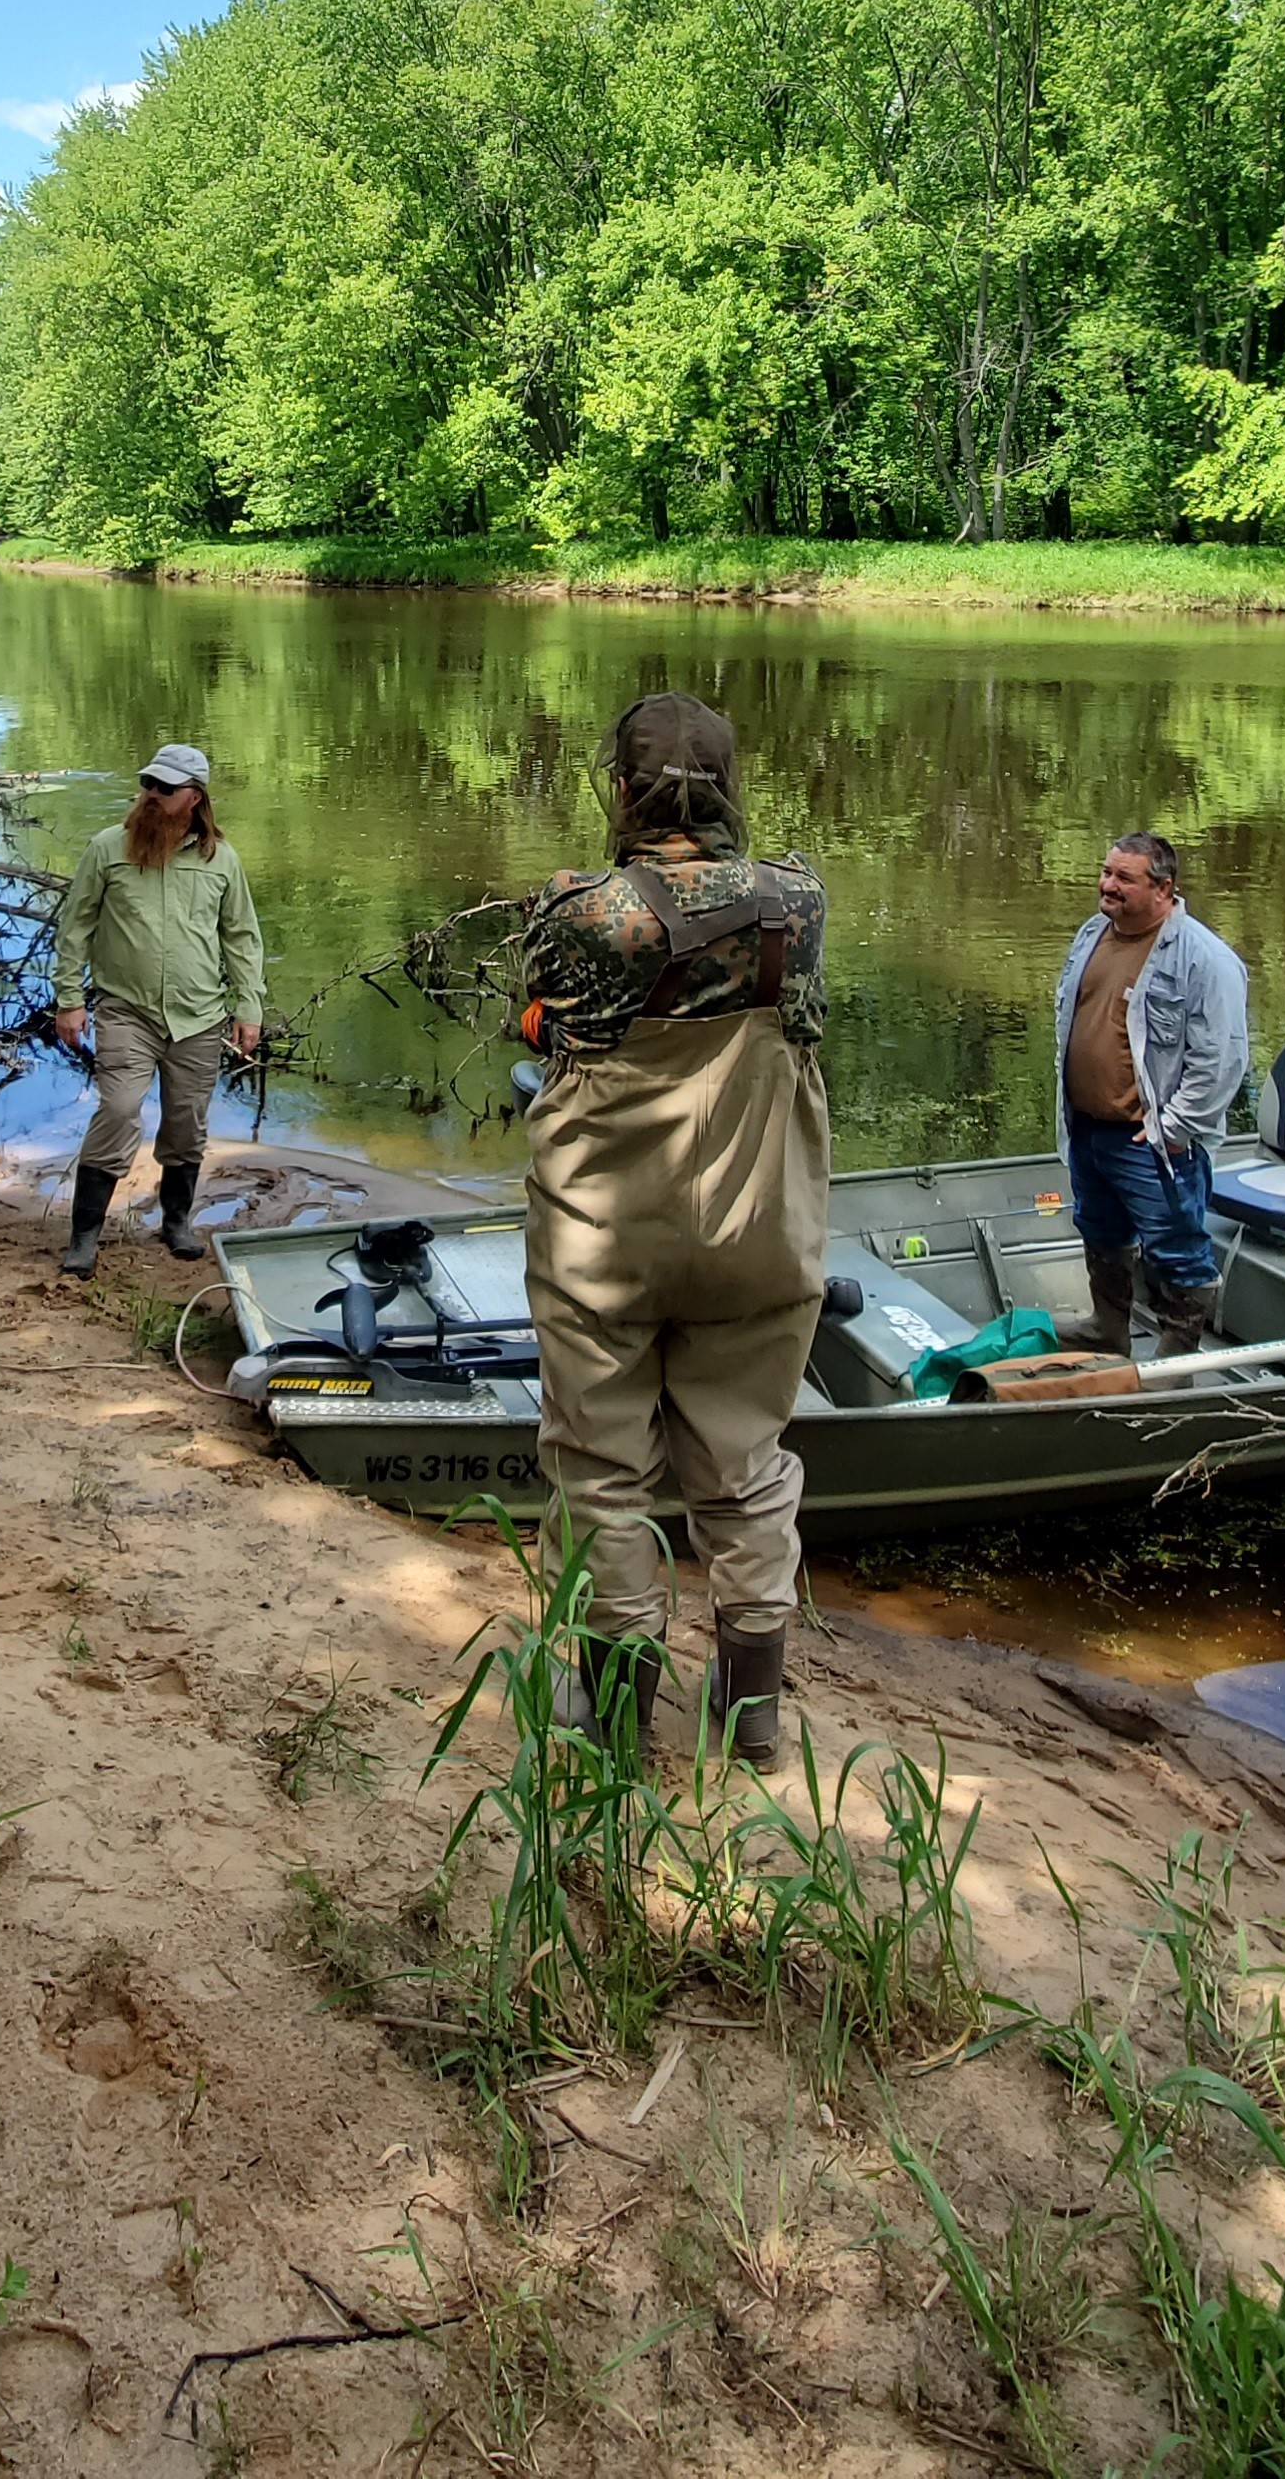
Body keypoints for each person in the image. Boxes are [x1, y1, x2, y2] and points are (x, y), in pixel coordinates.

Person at [512, 693, 830, 1769]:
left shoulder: (579, 911)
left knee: (601, 1471)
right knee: (747, 1467)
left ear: (621, 789)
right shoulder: (799, 903)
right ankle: (754, 1722)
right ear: (731, 788)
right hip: (758, 1225)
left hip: (606, 1230)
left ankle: (615, 1729)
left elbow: (541, 1010)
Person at [45, 743, 262, 1276]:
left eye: (165, 789)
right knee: (118, 1111)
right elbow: (75, 929)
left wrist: (248, 1005)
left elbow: (241, 937)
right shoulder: (107, 849)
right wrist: (69, 1000)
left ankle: (176, 1222)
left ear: (193, 798)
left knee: (187, 1124)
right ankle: (84, 1238)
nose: (151, 795)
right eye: (148, 784)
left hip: (199, 1017)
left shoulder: (220, 859)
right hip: (127, 1012)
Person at [1050, 830, 1247, 1356]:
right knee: (1100, 1228)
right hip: (1089, 1129)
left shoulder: (1205, 959)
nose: (1107, 885)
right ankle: (1108, 1329)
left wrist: (1177, 1127)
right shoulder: (1093, 933)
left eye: (1123, 878)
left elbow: (1221, 1059)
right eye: (1107, 872)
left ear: (1164, 889)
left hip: (1151, 1141)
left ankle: (1177, 1357)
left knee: (1177, 1249)